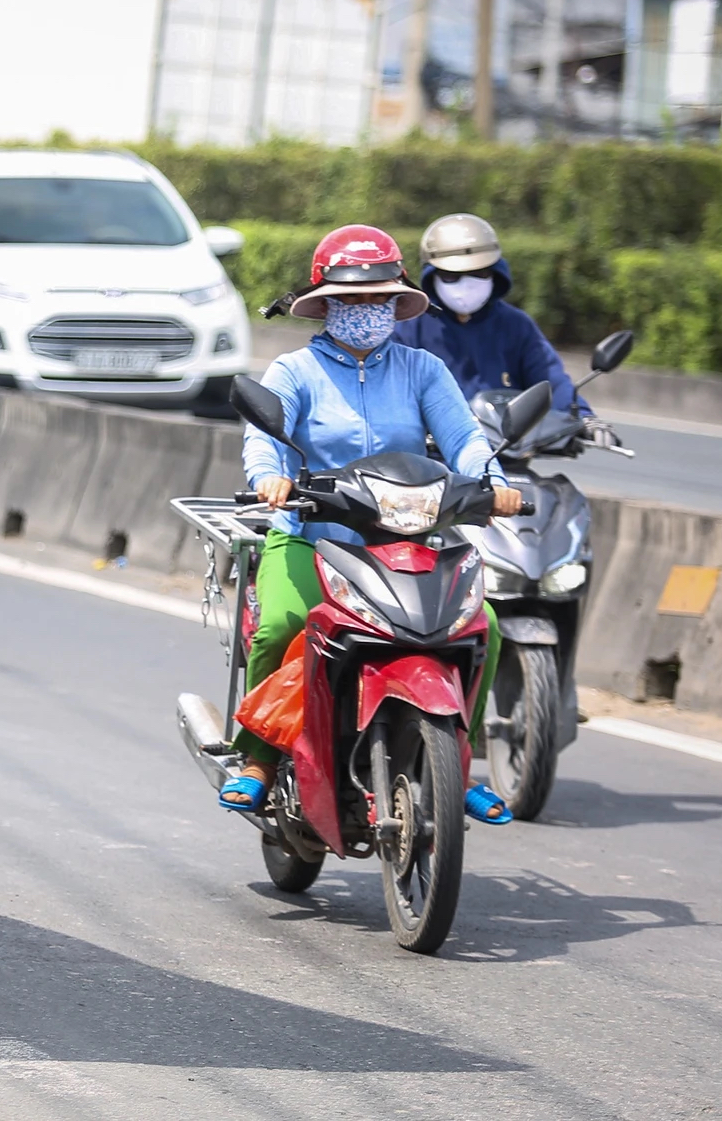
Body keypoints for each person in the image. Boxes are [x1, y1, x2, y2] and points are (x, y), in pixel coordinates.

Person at [234, 225, 521, 824]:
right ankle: (259, 758)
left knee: (483, 626)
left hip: (408, 537)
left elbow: (464, 438)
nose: (366, 310)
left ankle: (457, 762)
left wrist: (492, 481)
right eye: (352, 298)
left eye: (378, 298)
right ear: (326, 303)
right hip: (315, 536)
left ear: (397, 303)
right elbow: (264, 438)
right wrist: (271, 478)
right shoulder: (294, 370)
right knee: (284, 624)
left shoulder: (423, 370)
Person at [393, 212, 619, 447]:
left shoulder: (516, 325)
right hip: (434, 460)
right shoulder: (408, 325)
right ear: (432, 275)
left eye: (480, 273)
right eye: (451, 276)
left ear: (496, 271)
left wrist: (584, 417)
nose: (467, 284)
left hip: (505, 453)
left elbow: (549, 381)